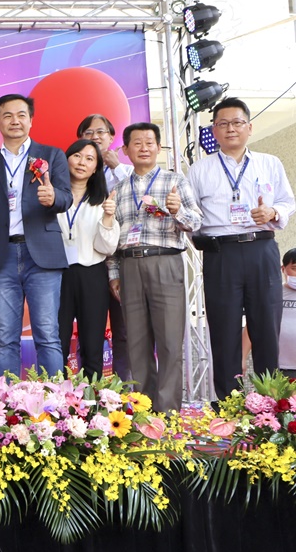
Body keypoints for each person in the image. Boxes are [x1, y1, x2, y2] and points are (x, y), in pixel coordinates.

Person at [187, 97, 295, 400]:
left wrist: (272, 212)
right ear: (214, 131)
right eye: (223, 124)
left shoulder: (269, 162)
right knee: (224, 331)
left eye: (237, 122)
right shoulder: (199, 169)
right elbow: (190, 214)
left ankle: (269, 405)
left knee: (266, 329)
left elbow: (288, 201)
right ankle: (228, 404)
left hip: (262, 249)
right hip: (221, 254)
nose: (230, 129)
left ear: (249, 127)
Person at [0, 94, 73, 377]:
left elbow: (66, 197)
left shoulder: (52, 155)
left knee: (48, 335)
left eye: (21, 115)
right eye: (7, 116)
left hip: (42, 255)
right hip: (1, 257)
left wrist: (53, 197)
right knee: (5, 339)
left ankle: (54, 401)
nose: (15, 121)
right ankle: (8, 401)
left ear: (31, 120)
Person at [107, 122, 202, 412]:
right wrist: (114, 274)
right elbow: (112, 235)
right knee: (137, 342)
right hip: (129, 265)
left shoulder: (175, 181)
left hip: (166, 261)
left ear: (159, 148)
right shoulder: (118, 189)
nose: (144, 148)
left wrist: (177, 210)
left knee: (170, 340)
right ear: (125, 150)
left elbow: (196, 223)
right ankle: (144, 411)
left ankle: (169, 411)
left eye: (149, 142)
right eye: (137, 143)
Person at [57, 139, 119, 380]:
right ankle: (55, 396)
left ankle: (93, 397)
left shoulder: (103, 200)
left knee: (92, 343)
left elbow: (108, 247)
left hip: (92, 273)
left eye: (90, 159)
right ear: (66, 159)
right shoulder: (52, 196)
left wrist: (108, 219)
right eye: (77, 156)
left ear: (96, 168)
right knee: (57, 341)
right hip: (57, 275)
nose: (82, 162)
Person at [76, 114, 131, 381]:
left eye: (100, 132)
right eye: (88, 133)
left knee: (123, 330)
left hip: (124, 259)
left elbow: (136, 195)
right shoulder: (76, 175)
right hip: (91, 262)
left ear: (111, 137)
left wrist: (116, 167)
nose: (95, 137)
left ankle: (124, 389)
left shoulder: (127, 172)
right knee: (89, 332)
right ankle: (87, 388)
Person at [280, 249, 296, 373]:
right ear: (283, 269)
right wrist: (242, 357)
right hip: (280, 367)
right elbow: (254, 324)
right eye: (294, 269)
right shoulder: (273, 294)